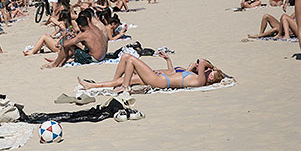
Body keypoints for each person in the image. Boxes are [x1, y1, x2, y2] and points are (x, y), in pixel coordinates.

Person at [78, 53, 224, 92]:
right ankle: (110, 85)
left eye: (209, 73)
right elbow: (175, 74)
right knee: (127, 59)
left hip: (160, 81)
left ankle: (123, 87)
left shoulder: (200, 81)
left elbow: (203, 60)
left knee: (131, 60)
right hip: (160, 77)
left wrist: (213, 66)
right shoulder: (195, 77)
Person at [42, 12, 108, 68]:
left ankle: (55, 64)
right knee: (72, 46)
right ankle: (60, 62)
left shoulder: (84, 34)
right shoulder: (96, 28)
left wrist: (65, 35)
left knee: (68, 46)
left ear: (80, 26)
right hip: (102, 56)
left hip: (94, 59)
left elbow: (65, 44)